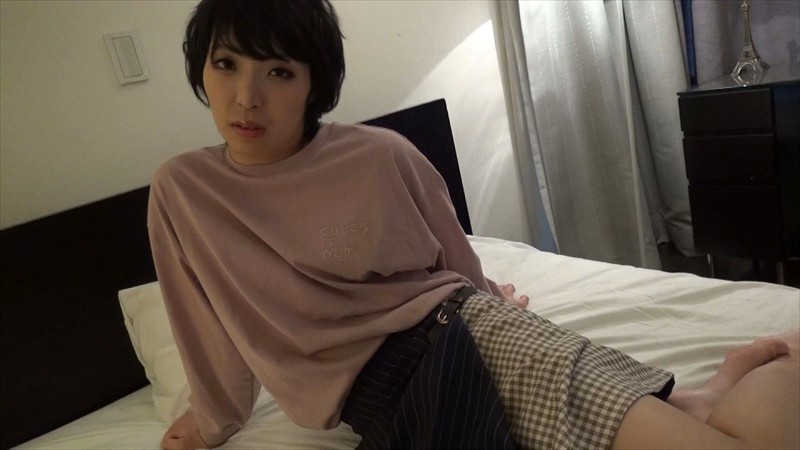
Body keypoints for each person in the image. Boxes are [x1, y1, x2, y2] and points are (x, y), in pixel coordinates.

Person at [147, 1, 799, 449]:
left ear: (313, 83)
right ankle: (720, 384)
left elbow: (454, 259)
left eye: (279, 72)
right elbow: (203, 320)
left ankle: (772, 370)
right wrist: (213, 420)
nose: (246, 98)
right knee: (683, 422)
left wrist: (490, 300)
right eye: (226, 64)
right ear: (201, 67)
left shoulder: (379, 156)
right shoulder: (183, 190)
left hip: (466, 339)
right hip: (385, 399)